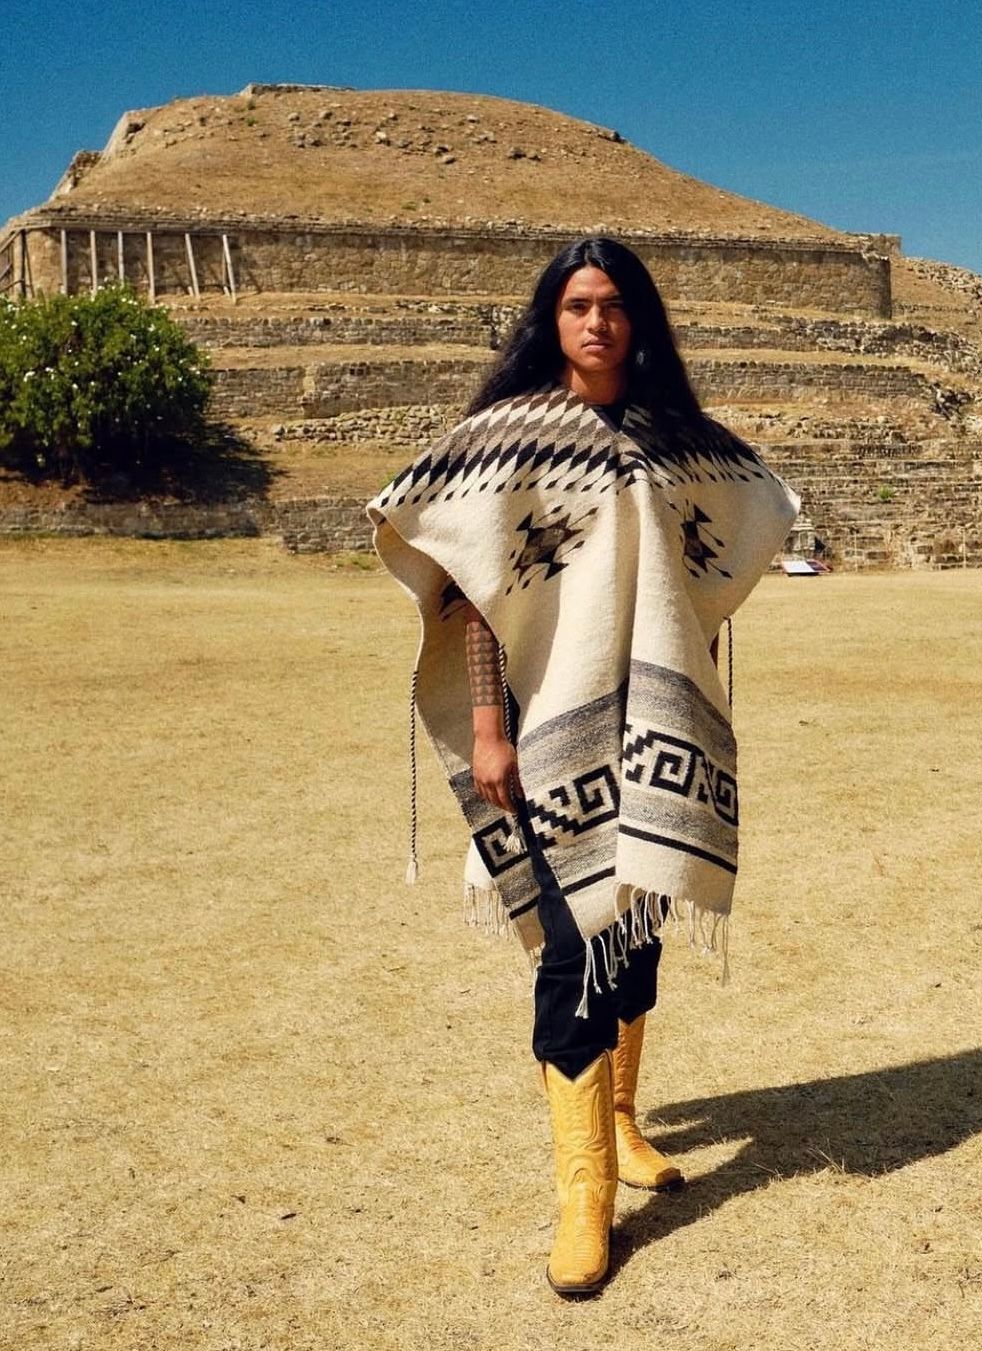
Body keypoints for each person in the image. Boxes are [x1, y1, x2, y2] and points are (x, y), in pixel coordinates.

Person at [367, 237, 799, 1296]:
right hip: (534, 722)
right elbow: (465, 585)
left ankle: (621, 1120)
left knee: (636, 934)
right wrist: (487, 727)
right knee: (569, 953)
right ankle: (582, 1192)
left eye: (613, 304)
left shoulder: (672, 438)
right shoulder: (506, 441)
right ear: (549, 320)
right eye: (576, 305)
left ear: (637, 319)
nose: (596, 321)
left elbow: (752, 507)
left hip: (651, 721)